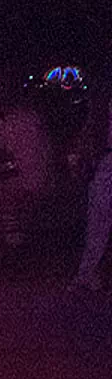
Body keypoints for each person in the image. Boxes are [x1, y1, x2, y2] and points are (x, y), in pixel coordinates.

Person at [0, 85, 54, 270]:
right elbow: (45, 149)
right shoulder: (36, 119)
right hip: (29, 175)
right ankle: (12, 259)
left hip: (9, 175)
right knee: (13, 217)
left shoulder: (6, 120)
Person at [71, 85, 112, 291]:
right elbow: (91, 131)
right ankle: (88, 273)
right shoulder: (101, 101)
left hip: (105, 161)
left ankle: (91, 273)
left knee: (98, 218)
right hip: (105, 161)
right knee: (98, 219)